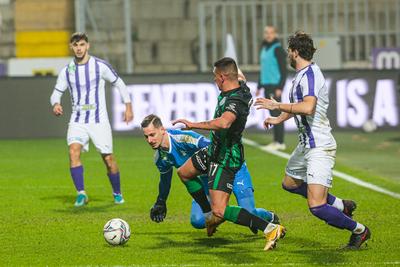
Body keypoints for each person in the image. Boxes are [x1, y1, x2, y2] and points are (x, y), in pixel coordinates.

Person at [254, 31, 371, 249]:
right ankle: (340, 204)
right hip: (306, 143)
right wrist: (279, 118)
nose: (288, 54)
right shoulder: (302, 74)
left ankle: (360, 230)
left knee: (316, 206)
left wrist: (277, 105)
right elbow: (298, 106)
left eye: (290, 50)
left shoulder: (309, 75)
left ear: (295, 52)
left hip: (319, 145)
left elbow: (308, 107)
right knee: (289, 183)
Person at [172, 57, 286, 251]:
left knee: (221, 210)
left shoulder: (237, 99)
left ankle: (270, 228)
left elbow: (224, 123)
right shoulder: (240, 86)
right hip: (214, 149)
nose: (214, 81)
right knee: (184, 172)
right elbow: (239, 76)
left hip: (225, 156)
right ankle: (209, 214)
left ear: (223, 77)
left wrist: (193, 124)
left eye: (216, 77)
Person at [141, 114, 279, 232]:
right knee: (198, 221)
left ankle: (269, 216)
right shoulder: (160, 158)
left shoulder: (184, 139)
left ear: (162, 130)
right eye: (146, 137)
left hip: (232, 167)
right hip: (208, 181)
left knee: (250, 212)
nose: (149, 140)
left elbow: (214, 149)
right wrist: (161, 201)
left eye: (152, 135)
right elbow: (165, 180)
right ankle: (224, 212)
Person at [50, 32, 133, 207]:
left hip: (99, 121)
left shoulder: (100, 66)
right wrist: (56, 103)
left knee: (108, 159)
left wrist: (128, 106)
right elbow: (56, 92)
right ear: (71, 47)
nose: (79, 48)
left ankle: (117, 193)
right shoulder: (67, 70)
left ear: (88, 46)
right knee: (73, 152)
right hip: (77, 120)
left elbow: (119, 83)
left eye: (81, 45)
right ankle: (81, 193)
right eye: (75, 45)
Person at [257, 26, 287, 151]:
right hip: (267, 85)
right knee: (272, 113)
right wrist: (259, 85)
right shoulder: (264, 48)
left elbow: (283, 69)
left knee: (276, 113)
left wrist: (280, 86)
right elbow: (264, 69)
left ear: (275, 34)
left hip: (275, 86)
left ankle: (280, 142)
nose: (268, 35)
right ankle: (276, 141)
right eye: (266, 33)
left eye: (271, 33)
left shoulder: (278, 49)